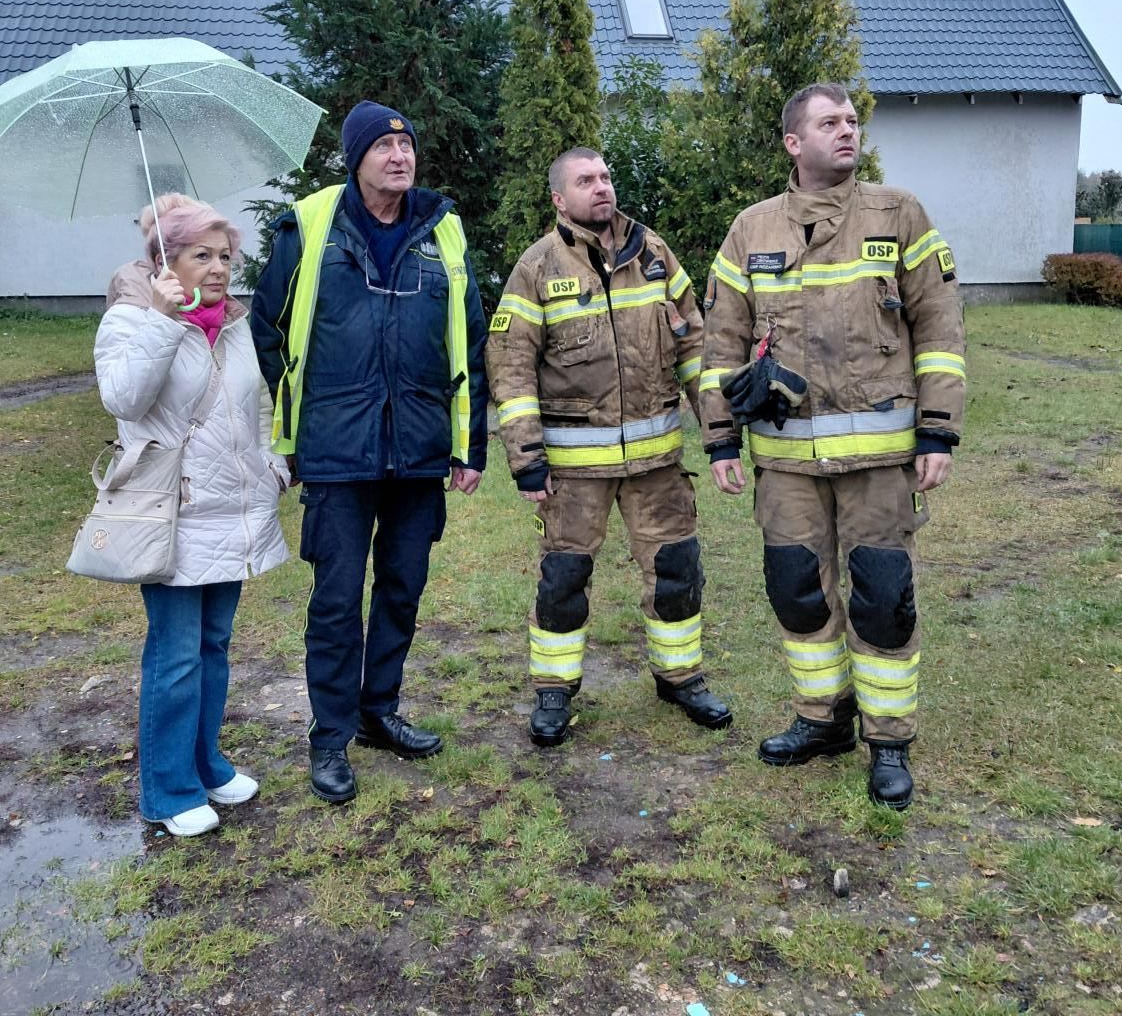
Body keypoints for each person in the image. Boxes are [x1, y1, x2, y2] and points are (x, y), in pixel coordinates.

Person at [701, 83, 966, 810]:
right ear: (794, 142)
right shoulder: (750, 229)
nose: (847, 131)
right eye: (829, 123)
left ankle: (888, 744)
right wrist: (721, 439)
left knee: (883, 599)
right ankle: (823, 720)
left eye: (852, 121)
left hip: (881, 460)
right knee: (797, 592)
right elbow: (720, 342)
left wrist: (937, 429)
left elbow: (940, 330)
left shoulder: (898, 214)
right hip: (784, 463)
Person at [251, 100, 488, 805]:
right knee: (334, 600)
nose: (399, 155)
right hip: (336, 452)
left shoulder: (441, 230)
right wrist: (301, 416)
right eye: (383, 145)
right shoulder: (310, 225)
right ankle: (329, 740)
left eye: (406, 143)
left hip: (418, 449)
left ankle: (379, 711)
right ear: (356, 159)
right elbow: (269, 328)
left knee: (402, 588)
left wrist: (468, 445)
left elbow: (469, 340)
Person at [486, 146, 730, 747]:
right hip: (573, 473)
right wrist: (525, 457)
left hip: (657, 465)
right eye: (585, 181)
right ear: (558, 200)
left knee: (676, 569)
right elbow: (510, 366)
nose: (601, 188)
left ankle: (681, 678)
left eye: (605, 177)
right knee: (564, 579)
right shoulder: (536, 268)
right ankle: (553, 691)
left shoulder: (653, 253)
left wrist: (718, 431)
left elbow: (694, 343)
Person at [94, 193, 290, 836]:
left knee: (214, 647)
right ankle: (168, 789)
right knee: (175, 655)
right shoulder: (130, 319)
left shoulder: (233, 325)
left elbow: (255, 406)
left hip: (231, 509)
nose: (217, 269)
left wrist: (273, 465)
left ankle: (206, 764)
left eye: (225, 256)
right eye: (200, 255)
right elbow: (123, 398)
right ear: (164, 261)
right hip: (171, 512)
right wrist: (157, 319)